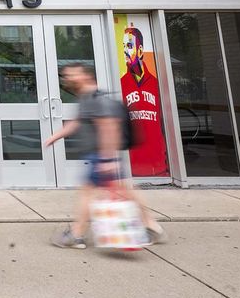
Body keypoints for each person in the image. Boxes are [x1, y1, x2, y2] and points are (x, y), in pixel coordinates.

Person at [43, 63, 165, 248]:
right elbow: (77, 122)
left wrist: (108, 159)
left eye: (71, 75)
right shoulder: (86, 98)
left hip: (100, 155)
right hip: (100, 156)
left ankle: (76, 235)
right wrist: (55, 136)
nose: (66, 79)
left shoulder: (96, 98)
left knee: (88, 193)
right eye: (65, 76)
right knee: (125, 191)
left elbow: (110, 127)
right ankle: (152, 227)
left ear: (85, 76)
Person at [121, 25, 169, 177]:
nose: (125, 51)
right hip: (133, 166)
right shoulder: (121, 83)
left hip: (158, 165)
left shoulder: (157, 82)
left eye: (129, 46)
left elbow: (165, 120)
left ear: (140, 50)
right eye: (123, 46)